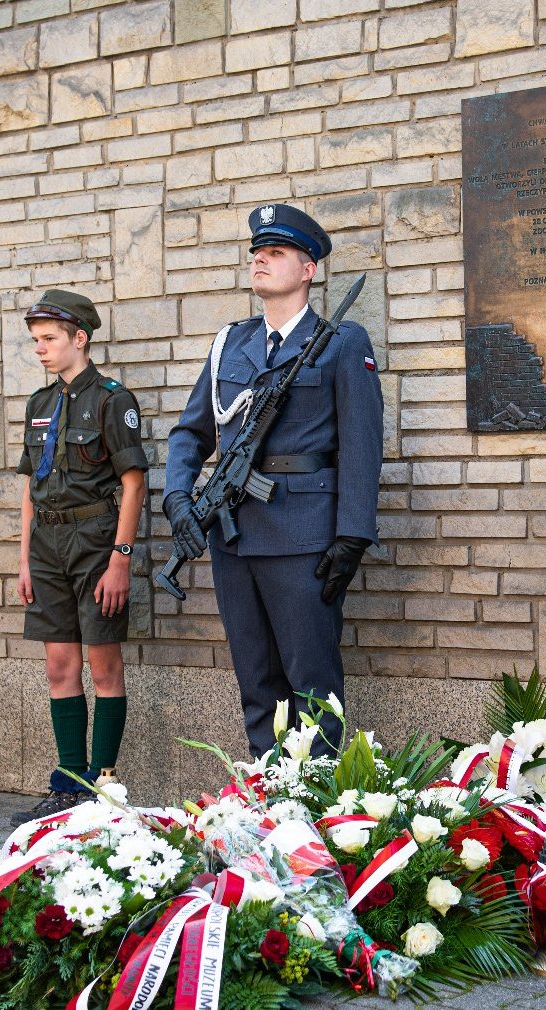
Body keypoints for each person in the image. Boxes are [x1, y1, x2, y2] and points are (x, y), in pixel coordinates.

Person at [163, 204, 382, 755]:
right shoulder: (229, 345)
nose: (260, 259)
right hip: (234, 537)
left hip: (305, 535)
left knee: (312, 690)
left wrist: (352, 534)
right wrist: (177, 499)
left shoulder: (340, 342)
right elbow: (191, 434)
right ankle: (270, 808)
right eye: (257, 252)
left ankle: (321, 818)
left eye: (276, 252)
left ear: (308, 268)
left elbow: (362, 444)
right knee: (258, 687)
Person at [11, 290, 148, 826]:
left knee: (103, 662)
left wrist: (121, 558)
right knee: (58, 664)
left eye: (49, 340)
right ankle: (69, 782)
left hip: (96, 541)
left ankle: (104, 782)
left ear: (80, 339)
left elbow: (134, 485)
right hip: (46, 543)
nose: (41, 349)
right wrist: (24, 559)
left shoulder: (115, 400)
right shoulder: (39, 404)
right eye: (36, 341)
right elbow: (29, 486)